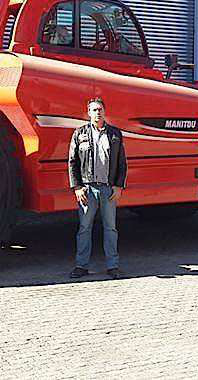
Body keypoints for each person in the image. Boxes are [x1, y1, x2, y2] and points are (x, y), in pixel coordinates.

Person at [67, 97, 127, 279]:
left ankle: (113, 266)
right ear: (88, 113)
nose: (97, 112)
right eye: (94, 110)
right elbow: (72, 162)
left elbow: (122, 163)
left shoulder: (115, 135)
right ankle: (81, 266)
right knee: (85, 227)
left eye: (100, 109)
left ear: (105, 111)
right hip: (87, 190)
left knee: (111, 228)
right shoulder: (80, 134)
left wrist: (118, 186)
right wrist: (77, 187)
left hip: (108, 190)